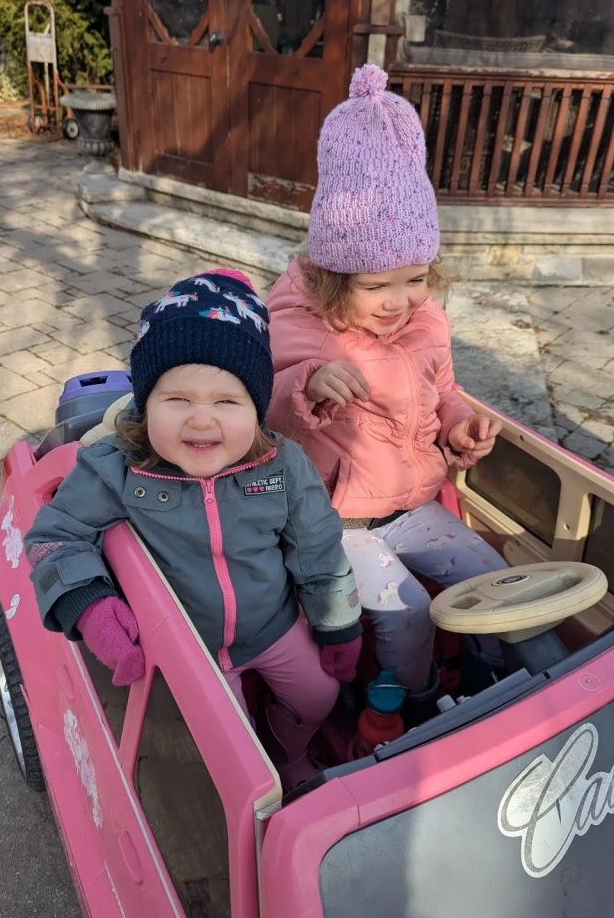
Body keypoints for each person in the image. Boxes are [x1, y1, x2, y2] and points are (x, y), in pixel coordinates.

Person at [24, 269, 362, 789]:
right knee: (233, 754)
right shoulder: (117, 465)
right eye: (177, 399)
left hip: (272, 625)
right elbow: (54, 535)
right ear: (145, 404)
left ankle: (290, 750)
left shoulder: (283, 465)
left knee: (321, 695)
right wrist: (90, 605)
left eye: (227, 402)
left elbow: (318, 547)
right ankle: (264, 774)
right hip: (190, 652)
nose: (202, 421)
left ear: (256, 407)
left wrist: (338, 621)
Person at [266, 64, 507, 717]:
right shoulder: (302, 323)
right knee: (409, 614)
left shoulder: (427, 321)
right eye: (375, 286)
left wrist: (458, 423)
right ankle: (417, 705)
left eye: (415, 279)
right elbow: (265, 410)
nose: (398, 301)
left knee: (494, 579)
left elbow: (443, 389)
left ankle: (496, 676)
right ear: (333, 276)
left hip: (414, 502)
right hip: (336, 521)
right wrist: (306, 386)